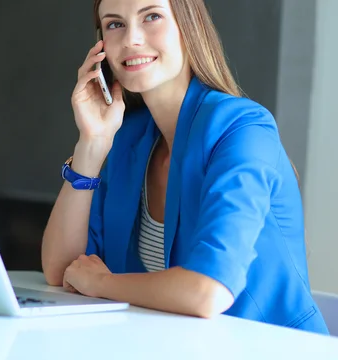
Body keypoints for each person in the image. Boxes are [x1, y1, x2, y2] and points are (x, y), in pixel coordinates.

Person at [41, 0, 329, 335]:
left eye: (152, 16)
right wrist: (91, 145)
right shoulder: (128, 138)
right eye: (114, 24)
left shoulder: (243, 129)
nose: (131, 38)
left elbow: (208, 291)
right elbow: (62, 269)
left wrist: (104, 283)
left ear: (188, 27)